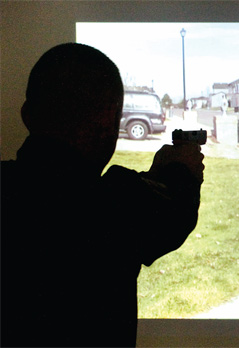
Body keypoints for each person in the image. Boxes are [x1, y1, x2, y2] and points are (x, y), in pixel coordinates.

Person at [1, 43, 204, 347]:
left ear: (27, 115)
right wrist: (181, 170)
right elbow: (174, 213)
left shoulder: (113, 201)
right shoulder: (120, 203)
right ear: (110, 124)